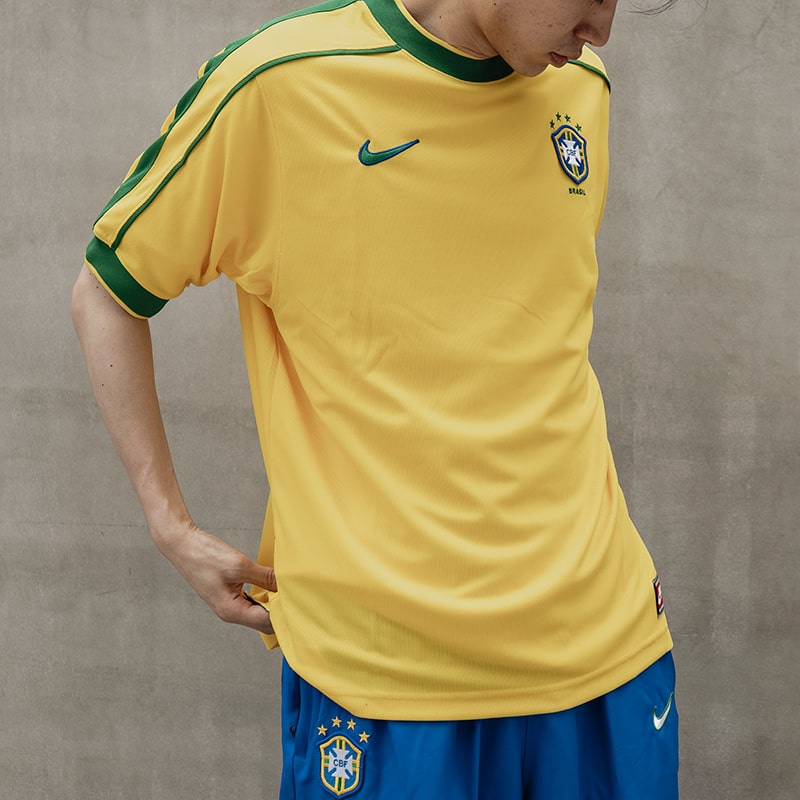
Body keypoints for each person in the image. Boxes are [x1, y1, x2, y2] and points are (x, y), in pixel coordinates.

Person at [72, 0, 680, 797]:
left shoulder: (583, 89)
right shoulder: (279, 85)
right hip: (387, 682)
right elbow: (107, 293)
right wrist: (169, 523)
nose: (601, 29)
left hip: (608, 653)